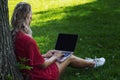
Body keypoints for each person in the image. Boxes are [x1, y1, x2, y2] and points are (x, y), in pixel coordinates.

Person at [11, 2, 105, 80]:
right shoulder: (28, 40)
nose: (31, 18)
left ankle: (88, 62)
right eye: (31, 15)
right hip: (40, 76)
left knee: (63, 56)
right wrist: (55, 56)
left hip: (29, 73)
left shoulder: (14, 35)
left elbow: (30, 59)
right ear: (28, 17)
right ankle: (93, 63)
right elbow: (43, 65)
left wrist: (46, 55)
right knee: (68, 57)